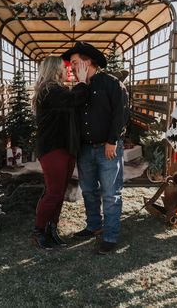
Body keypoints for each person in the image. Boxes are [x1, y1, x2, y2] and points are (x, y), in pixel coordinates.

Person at [62, 42, 129, 254]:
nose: (71, 67)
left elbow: (121, 114)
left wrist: (112, 141)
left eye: (74, 62)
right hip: (85, 150)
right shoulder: (79, 88)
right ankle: (93, 226)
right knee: (89, 191)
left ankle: (110, 236)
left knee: (110, 194)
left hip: (107, 148)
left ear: (87, 61)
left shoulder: (111, 83)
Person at [32, 55, 89, 249]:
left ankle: (52, 228)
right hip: (52, 148)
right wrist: (82, 81)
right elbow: (75, 99)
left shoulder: (57, 91)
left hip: (64, 148)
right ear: (55, 70)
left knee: (59, 191)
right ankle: (39, 231)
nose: (68, 71)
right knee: (54, 192)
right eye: (64, 69)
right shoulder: (49, 91)